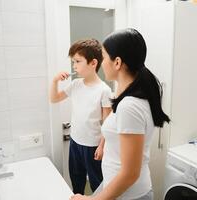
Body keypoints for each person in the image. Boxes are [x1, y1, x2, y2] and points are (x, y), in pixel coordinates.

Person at [70, 29, 170, 200]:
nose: (101, 63)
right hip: (117, 187)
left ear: (117, 62)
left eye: (104, 57)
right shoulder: (129, 96)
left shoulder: (129, 106)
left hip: (130, 195)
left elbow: (130, 173)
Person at [50, 39, 112, 194]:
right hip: (75, 142)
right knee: (76, 181)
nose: (74, 66)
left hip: (93, 146)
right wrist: (55, 80)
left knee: (97, 184)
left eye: (77, 61)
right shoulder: (76, 84)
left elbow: (108, 122)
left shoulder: (104, 90)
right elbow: (54, 99)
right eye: (73, 62)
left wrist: (102, 146)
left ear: (93, 63)